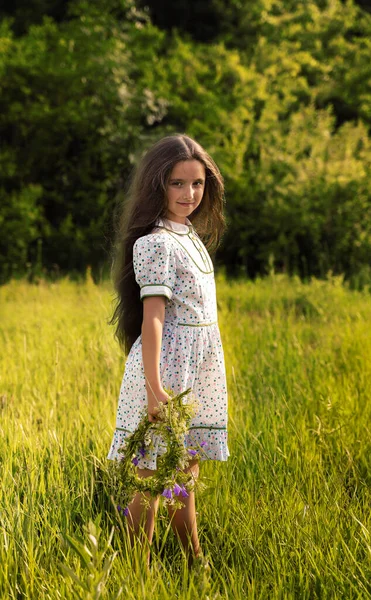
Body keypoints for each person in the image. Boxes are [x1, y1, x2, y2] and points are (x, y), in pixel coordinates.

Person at [107, 134, 230, 570]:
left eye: (197, 184)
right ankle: (134, 569)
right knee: (151, 479)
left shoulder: (190, 236)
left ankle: (194, 559)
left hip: (200, 370)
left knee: (186, 473)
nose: (189, 194)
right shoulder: (156, 243)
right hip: (169, 371)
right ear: (157, 185)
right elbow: (153, 317)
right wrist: (157, 388)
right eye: (177, 183)